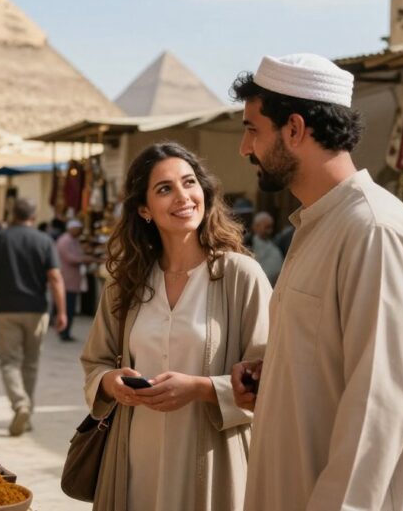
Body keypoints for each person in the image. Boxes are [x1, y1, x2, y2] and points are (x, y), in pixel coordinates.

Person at [228, 53, 403, 510]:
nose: (245, 149)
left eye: (252, 129)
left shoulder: (373, 229)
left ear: (294, 129)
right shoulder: (319, 223)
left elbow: (379, 405)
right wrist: (275, 372)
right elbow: (333, 356)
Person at [80, 142, 270, 511]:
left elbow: (272, 375)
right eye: (165, 189)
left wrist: (200, 389)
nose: (183, 196)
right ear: (144, 209)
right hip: (134, 458)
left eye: (189, 183)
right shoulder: (126, 283)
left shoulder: (240, 276)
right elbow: (96, 362)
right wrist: (110, 382)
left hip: (214, 461)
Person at [0, 199, 67, 436]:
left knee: (8, 361)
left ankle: (20, 404)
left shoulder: (1, 238)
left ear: (11, 213)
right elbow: (55, 277)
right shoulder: (44, 240)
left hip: (6, 308)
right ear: (35, 214)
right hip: (36, 309)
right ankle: (26, 410)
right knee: (30, 363)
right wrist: (62, 311)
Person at [56, 219, 96, 342]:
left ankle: (66, 332)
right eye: (78, 229)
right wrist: (86, 259)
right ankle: (63, 332)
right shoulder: (65, 241)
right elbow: (70, 258)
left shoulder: (73, 240)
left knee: (70, 308)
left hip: (72, 280)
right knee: (68, 308)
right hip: (67, 280)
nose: (80, 231)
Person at [249, 211, 283, 285]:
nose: (269, 231)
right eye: (266, 227)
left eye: (270, 227)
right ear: (256, 226)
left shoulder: (274, 249)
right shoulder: (246, 244)